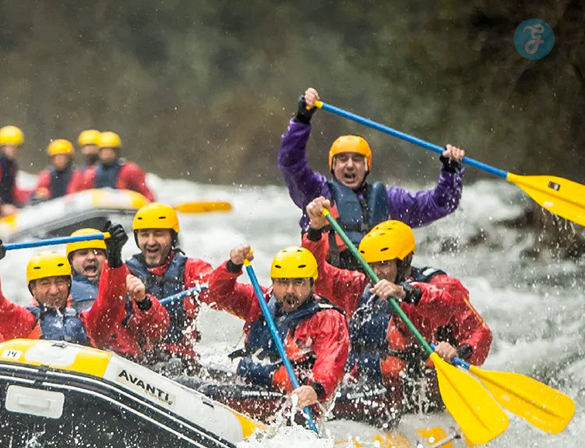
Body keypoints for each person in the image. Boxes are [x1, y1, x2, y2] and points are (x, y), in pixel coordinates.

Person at [302, 197, 491, 426]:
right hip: (364, 389)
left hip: (416, 395)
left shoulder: (439, 285)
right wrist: (314, 230)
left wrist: (459, 351)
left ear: (404, 261)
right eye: (373, 264)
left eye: (384, 264)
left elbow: (474, 328)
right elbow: (317, 276)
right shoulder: (362, 286)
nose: (377, 271)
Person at [280, 87, 466, 270]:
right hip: (330, 284)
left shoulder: (391, 200)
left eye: (357, 160)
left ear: (367, 166)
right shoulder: (316, 192)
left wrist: (451, 171)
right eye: (342, 159)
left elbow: (440, 204)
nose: (350, 165)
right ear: (333, 166)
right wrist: (302, 119)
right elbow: (290, 162)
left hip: (377, 286)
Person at [205, 245, 349, 425]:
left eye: (298, 283)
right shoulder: (260, 301)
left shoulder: (327, 318)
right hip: (251, 382)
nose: (290, 290)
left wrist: (315, 389)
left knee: (207, 392)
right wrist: (232, 267)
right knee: (191, 381)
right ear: (273, 283)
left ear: (312, 283)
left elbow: (331, 362)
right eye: (282, 282)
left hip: (288, 399)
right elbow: (218, 295)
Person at [0, 225, 131, 345]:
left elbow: (110, 302)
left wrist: (115, 258)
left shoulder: (87, 322)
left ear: (69, 285)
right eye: (45, 284)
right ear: (32, 290)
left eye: (60, 282)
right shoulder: (24, 322)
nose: (54, 290)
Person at [125, 203, 216, 369]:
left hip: (181, 359)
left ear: (172, 238)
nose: (151, 242)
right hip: (139, 361)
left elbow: (221, 292)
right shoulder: (126, 273)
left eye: (158, 234)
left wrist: (231, 268)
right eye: (144, 235)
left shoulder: (191, 269)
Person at [67, 228, 169, 359]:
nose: (91, 257)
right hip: (90, 356)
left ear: (106, 257)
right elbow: (101, 321)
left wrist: (143, 302)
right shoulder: (61, 291)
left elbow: (156, 331)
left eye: (98, 253)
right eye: (83, 253)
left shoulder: (128, 281)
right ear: (71, 261)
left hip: (129, 360)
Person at [79, 131, 155, 202]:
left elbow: (146, 193)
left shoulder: (130, 170)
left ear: (116, 152)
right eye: (104, 151)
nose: (106, 154)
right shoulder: (91, 174)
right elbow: (82, 196)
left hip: (125, 211)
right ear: (99, 152)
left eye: (110, 150)